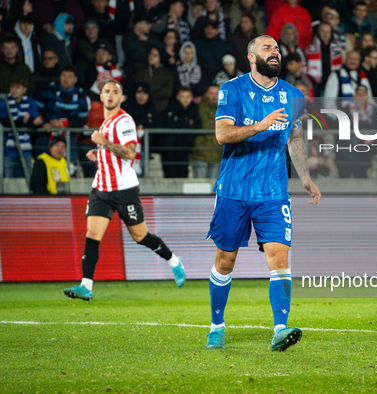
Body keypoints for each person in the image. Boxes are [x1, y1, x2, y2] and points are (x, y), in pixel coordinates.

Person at [205, 35, 321, 351]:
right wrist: (260, 125)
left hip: (273, 191)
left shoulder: (294, 95)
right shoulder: (233, 89)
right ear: (252, 57)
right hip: (234, 189)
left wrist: (305, 177)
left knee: (280, 257)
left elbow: (295, 137)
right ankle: (217, 325)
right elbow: (221, 134)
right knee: (225, 260)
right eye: (267, 48)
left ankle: (280, 329)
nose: (275, 52)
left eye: (277, 49)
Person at [63, 80, 186, 301]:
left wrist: (104, 143)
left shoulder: (124, 121)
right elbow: (112, 151)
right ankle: (86, 286)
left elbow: (130, 153)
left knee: (140, 236)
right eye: (106, 91)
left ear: (121, 98)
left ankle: (174, 261)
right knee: (92, 235)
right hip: (100, 189)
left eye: (115, 92)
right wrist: (98, 152)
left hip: (124, 190)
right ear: (100, 96)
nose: (110, 95)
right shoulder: (105, 123)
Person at [0, 76, 42, 178]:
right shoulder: (3, 101)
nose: (14, 90)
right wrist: (25, 121)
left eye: (17, 87)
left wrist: (28, 122)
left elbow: (36, 122)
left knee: (26, 178)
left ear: (24, 89)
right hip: (8, 149)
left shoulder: (30, 101)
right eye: (12, 87)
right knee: (8, 180)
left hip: (26, 149)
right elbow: (5, 122)